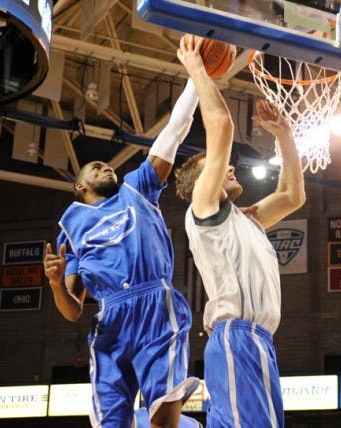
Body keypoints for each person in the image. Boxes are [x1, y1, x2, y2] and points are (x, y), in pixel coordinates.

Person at [43, 78, 202, 428]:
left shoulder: (137, 187)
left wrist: (196, 78)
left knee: (164, 418)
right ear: (80, 185)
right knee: (110, 424)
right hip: (110, 318)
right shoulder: (70, 230)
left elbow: (175, 131)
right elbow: (72, 310)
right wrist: (56, 283)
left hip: (155, 306)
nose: (106, 167)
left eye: (107, 164)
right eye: (95, 167)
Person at [174, 34, 306, 428]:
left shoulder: (245, 218)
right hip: (236, 336)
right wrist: (197, 68)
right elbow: (221, 125)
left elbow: (292, 195)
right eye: (219, 167)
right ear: (203, 183)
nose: (231, 167)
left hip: (260, 341)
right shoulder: (204, 206)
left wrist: (284, 135)